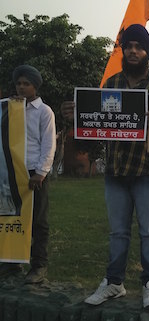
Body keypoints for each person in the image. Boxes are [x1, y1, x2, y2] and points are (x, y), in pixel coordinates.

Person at [61, 24, 149, 309]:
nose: (133, 51)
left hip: (146, 171)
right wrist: (73, 117)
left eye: (139, 47)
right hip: (115, 170)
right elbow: (94, 122)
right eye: (129, 46)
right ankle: (114, 282)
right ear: (123, 51)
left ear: (148, 53)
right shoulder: (110, 85)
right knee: (117, 231)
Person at [0, 65, 56, 284]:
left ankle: (39, 266)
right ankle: (10, 262)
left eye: (27, 84)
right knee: (10, 216)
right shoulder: (8, 108)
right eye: (19, 83)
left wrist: (41, 173)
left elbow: (49, 144)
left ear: (35, 86)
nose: (22, 87)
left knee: (38, 220)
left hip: (34, 172)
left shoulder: (44, 112)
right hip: (11, 170)